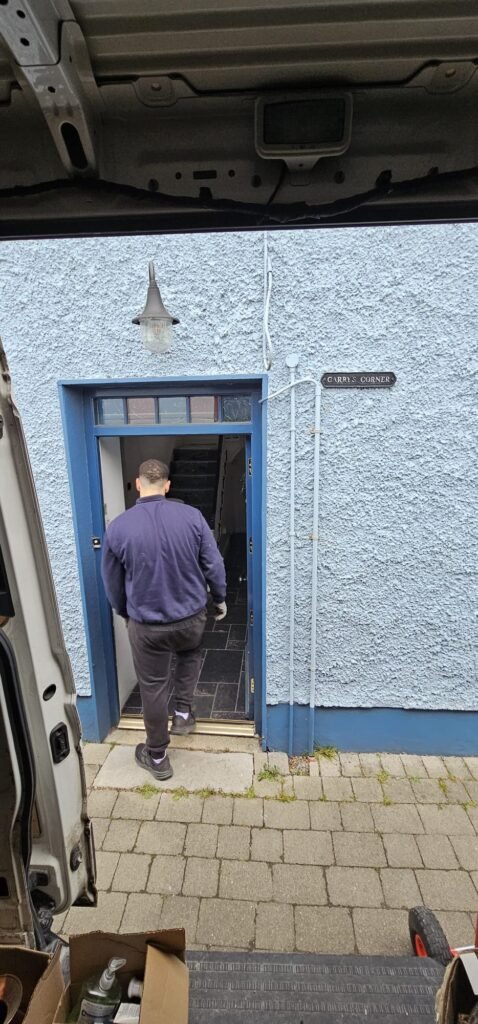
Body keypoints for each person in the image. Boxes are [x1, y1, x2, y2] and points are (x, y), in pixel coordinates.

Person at [101, 458, 227, 781]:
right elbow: (213, 563)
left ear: (138, 484)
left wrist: (124, 611)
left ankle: (157, 757)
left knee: (153, 688)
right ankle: (183, 713)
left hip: (148, 627)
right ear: (167, 486)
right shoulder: (192, 517)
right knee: (189, 656)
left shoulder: (118, 527)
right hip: (190, 618)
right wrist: (220, 597)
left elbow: (112, 583)